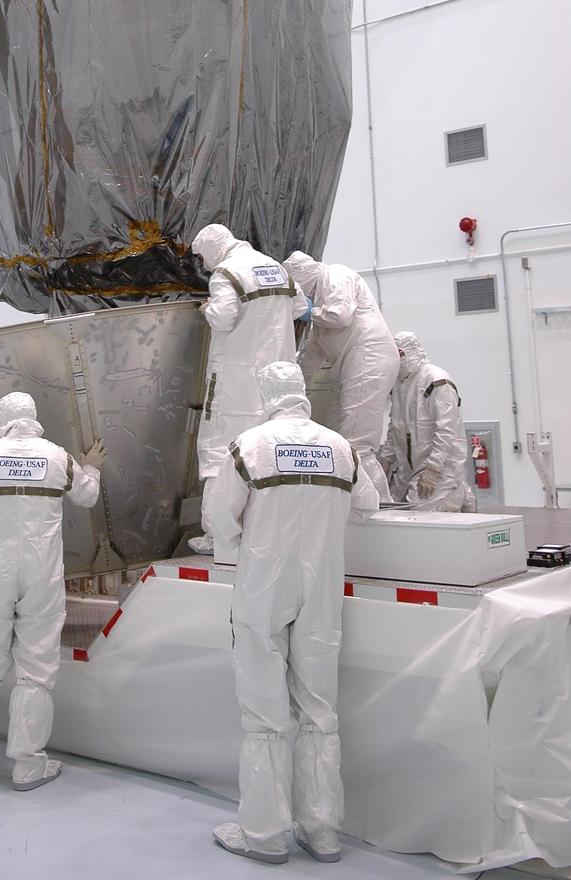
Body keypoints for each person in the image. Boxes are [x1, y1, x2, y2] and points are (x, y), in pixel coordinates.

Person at [209, 362, 379, 866]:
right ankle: (323, 831)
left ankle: (263, 835)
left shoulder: (249, 445)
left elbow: (219, 517)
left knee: (264, 713)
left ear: (266, 393)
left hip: (264, 582)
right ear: (302, 393)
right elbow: (368, 504)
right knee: (319, 710)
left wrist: (248, 540)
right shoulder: (341, 447)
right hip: (321, 585)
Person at [0, 391, 106, 790]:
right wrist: (92, 466)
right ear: (34, 417)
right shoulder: (57, 457)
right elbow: (87, 496)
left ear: (2, 418)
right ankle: (27, 764)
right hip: (41, 571)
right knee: (35, 666)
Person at [190, 224, 307, 554]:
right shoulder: (275, 267)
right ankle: (266, 531)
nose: (203, 264)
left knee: (219, 454)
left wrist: (207, 308)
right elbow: (299, 309)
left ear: (213, 248)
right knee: (269, 456)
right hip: (276, 382)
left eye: (202, 256)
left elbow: (224, 317)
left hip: (235, 385)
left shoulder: (226, 273)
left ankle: (217, 535)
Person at [287, 252, 398, 502]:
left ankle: (379, 506)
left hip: (370, 357)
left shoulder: (335, 274)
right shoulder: (320, 324)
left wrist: (307, 310)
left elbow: (340, 315)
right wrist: (287, 387)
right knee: (338, 439)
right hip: (358, 363)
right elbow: (309, 358)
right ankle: (356, 505)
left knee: (357, 445)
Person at [379, 331, 476, 511]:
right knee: (390, 510)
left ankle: (459, 492)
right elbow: (395, 428)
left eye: (399, 354)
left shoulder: (436, 380)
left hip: (439, 472)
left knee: (420, 518)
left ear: (410, 351)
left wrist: (433, 469)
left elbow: (447, 430)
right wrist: (385, 461)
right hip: (407, 471)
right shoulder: (400, 385)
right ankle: (463, 495)